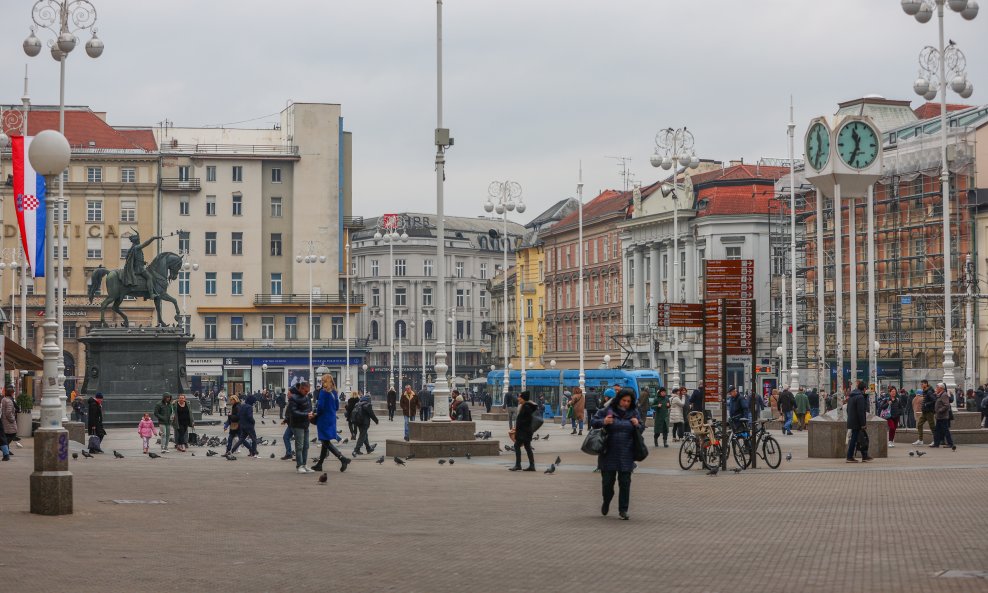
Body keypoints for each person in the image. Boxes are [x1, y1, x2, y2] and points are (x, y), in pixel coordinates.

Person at [591, 387, 642, 520]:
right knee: (607, 483)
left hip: (627, 453)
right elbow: (593, 422)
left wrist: (638, 424)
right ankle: (606, 500)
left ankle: (623, 510)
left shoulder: (634, 412)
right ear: (618, 400)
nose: (626, 403)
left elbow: (641, 428)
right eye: (624, 400)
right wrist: (604, 421)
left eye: (629, 401)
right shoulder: (607, 410)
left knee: (625, 483)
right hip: (608, 452)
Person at [311, 375, 351, 472]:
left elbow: (320, 407)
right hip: (331, 418)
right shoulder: (334, 392)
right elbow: (337, 407)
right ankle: (319, 464)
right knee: (325, 441)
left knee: (325, 442)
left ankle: (342, 458)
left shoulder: (323, 392)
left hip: (323, 419)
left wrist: (315, 413)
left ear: (324, 382)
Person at [286, 382, 314, 473]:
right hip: (297, 425)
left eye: (308, 391)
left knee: (306, 446)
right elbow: (293, 412)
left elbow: (309, 408)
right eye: (306, 391)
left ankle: (304, 464)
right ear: (301, 389)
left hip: (305, 424)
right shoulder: (293, 398)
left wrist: (312, 413)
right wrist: (306, 415)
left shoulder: (307, 397)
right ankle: (299, 465)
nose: (307, 393)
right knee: (299, 446)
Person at [508, 391, 537, 472]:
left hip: (524, 432)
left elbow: (524, 420)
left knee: (517, 446)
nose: (518, 399)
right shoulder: (526, 406)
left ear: (523, 399)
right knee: (527, 447)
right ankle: (532, 465)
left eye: (520, 397)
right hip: (526, 431)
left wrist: (517, 428)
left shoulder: (526, 407)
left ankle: (518, 465)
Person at [845, 382, 872, 463]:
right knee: (858, 439)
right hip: (857, 422)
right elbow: (861, 412)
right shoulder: (860, 397)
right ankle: (850, 456)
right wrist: (863, 424)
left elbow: (847, 409)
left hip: (852, 420)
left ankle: (864, 456)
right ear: (864, 389)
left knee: (861, 438)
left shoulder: (851, 396)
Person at [352, 391, 379, 455]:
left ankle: (368, 448)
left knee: (364, 435)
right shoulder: (367, 405)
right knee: (362, 436)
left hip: (358, 422)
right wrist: (376, 420)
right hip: (364, 423)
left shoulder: (358, 403)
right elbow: (371, 414)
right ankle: (356, 449)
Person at [931, 382, 956, 450]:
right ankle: (936, 444)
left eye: (937, 387)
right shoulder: (940, 394)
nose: (936, 389)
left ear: (941, 388)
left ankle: (950, 443)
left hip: (942, 416)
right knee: (937, 430)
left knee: (945, 430)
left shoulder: (944, 394)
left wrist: (939, 410)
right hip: (939, 416)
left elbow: (946, 405)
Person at [913, 379, 937, 446]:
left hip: (929, 412)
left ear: (926, 384)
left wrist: (927, 404)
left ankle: (935, 440)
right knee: (919, 424)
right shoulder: (925, 391)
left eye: (922, 384)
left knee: (932, 426)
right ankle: (920, 440)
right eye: (921, 384)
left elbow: (934, 400)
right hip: (924, 412)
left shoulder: (929, 391)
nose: (921, 385)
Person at [0, 389, 17, 461]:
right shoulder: (9, 401)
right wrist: (13, 419)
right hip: (7, 421)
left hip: (3, 420)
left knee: (3, 437)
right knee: (4, 437)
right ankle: (6, 453)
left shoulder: (3, 399)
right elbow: (8, 412)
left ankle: (6, 453)